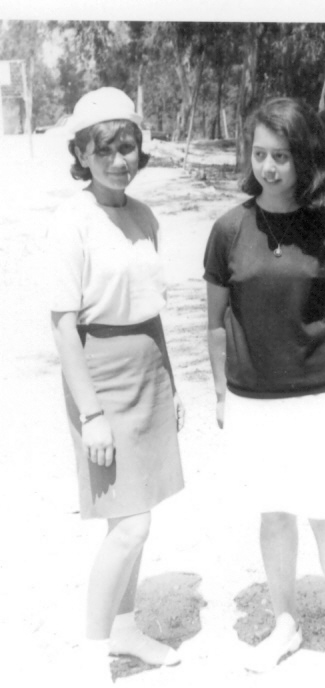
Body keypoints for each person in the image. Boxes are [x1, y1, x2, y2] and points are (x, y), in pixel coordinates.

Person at [204, 98, 325, 685]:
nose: (269, 167)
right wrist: (221, 393)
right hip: (254, 400)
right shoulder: (228, 230)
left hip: (323, 397)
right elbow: (214, 322)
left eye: (281, 156)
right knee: (276, 514)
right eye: (259, 154)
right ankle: (286, 624)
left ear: (304, 158)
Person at [47, 87, 185, 685]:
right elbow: (62, 324)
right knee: (130, 524)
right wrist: (91, 413)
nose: (117, 160)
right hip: (100, 377)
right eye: (102, 149)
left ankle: (125, 629)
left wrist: (172, 383)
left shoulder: (144, 216)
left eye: (126, 147)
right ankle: (91, 652)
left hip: (148, 369)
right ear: (82, 154)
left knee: (137, 512)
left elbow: (151, 308)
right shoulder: (71, 221)